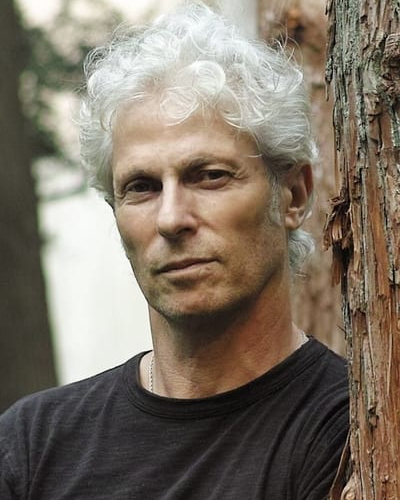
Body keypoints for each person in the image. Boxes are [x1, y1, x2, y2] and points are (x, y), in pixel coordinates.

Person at [0, 2, 349, 499]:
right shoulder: (32, 446)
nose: (170, 219)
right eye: (141, 187)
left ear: (292, 195)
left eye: (209, 176)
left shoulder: (352, 430)